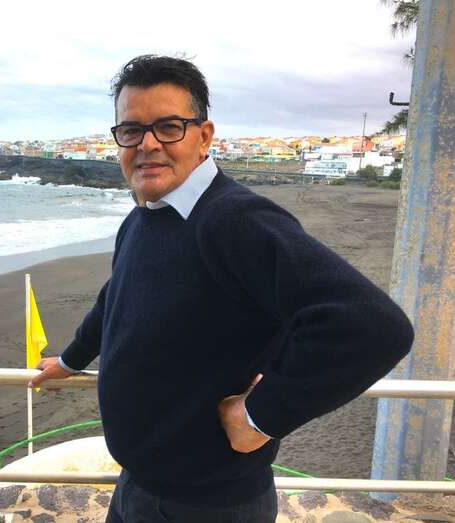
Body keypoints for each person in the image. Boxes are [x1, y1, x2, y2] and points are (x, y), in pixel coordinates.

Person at [29, 55, 414, 523]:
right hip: (137, 485)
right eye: (131, 130)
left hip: (208, 504)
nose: (147, 144)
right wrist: (71, 360)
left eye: (168, 127)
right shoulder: (144, 217)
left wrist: (261, 416)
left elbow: (373, 326)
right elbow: (116, 296)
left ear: (204, 136)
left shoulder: (233, 220)